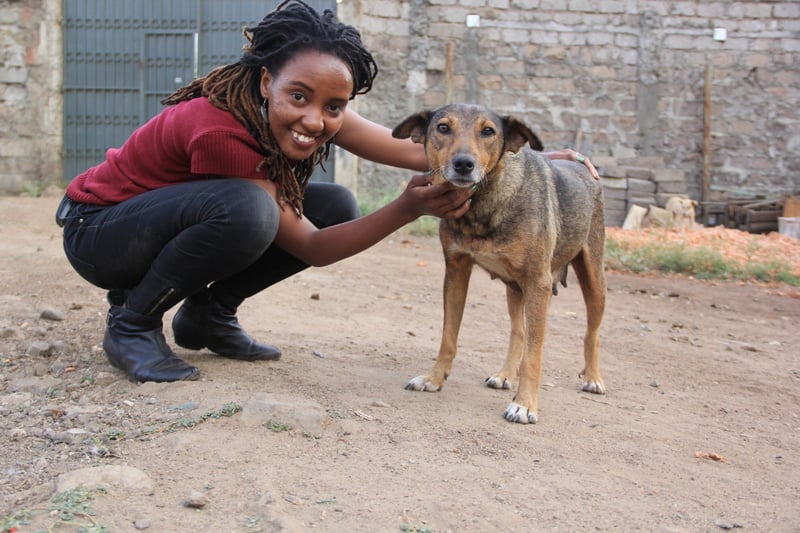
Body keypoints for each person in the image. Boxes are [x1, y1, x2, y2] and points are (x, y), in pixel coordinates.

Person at [57, 0, 598, 383]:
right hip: (100, 233)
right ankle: (131, 325)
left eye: (333, 107)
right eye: (299, 96)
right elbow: (313, 247)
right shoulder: (222, 127)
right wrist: (408, 207)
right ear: (266, 81)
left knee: (334, 202)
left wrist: (508, 152)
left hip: (157, 223)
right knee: (249, 211)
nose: (314, 120)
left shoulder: (306, 108)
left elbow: (417, 149)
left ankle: (207, 314)